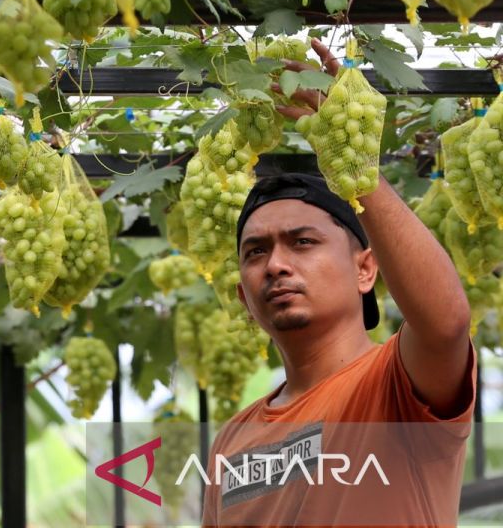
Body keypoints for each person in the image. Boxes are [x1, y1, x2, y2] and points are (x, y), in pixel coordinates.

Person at [200, 39, 476, 528]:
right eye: (256, 252)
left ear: (366, 270)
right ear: (243, 297)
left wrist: (356, 169)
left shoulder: (397, 384)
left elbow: (446, 324)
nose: (276, 265)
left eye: (302, 242)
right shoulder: (231, 440)